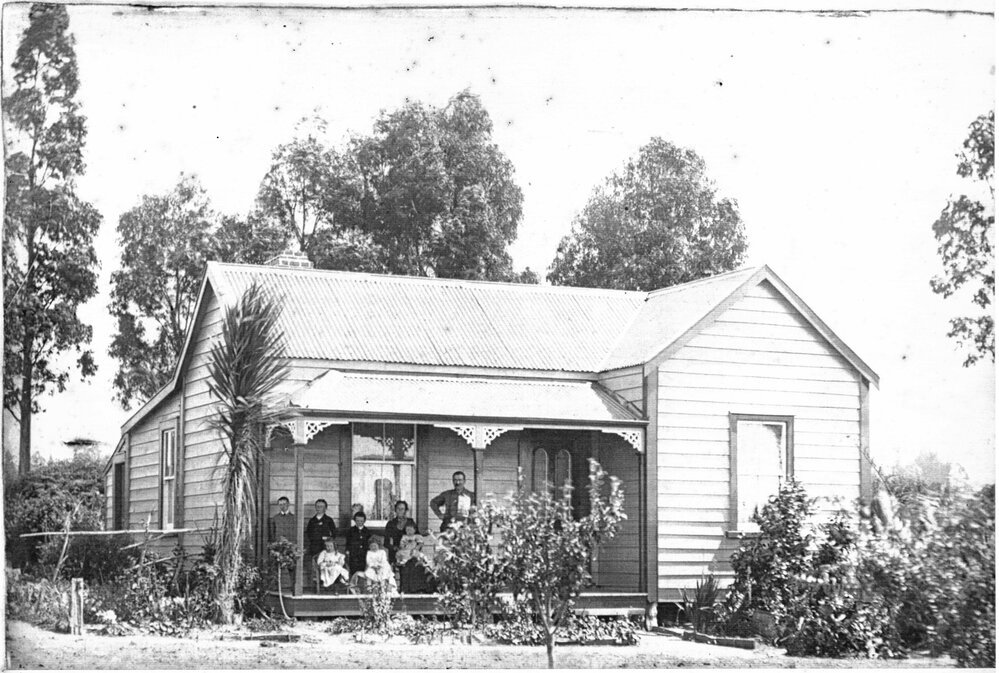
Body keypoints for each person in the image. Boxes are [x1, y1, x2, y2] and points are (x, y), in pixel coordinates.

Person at [304, 499, 337, 586]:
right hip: (315, 547)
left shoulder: (329, 520)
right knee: (316, 566)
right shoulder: (312, 521)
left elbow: (334, 534)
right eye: (317, 506)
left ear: (325, 508)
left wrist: (327, 540)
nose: (319, 508)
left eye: (321, 506)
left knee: (328, 565)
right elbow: (309, 533)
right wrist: (317, 539)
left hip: (326, 548)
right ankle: (317, 584)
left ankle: (329, 583)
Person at [383, 500, 418, 565]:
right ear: (395, 510)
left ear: (405, 511)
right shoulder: (391, 524)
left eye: (402, 509)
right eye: (398, 509)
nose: (400, 511)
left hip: (409, 552)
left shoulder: (410, 522)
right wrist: (394, 547)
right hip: (396, 553)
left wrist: (414, 548)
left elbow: (418, 537)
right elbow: (386, 543)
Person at [344, 510, 373, 577]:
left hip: (364, 554)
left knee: (363, 570)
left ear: (364, 521)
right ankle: (353, 585)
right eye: (358, 521)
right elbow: (348, 542)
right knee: (354, 570)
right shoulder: (351, 531)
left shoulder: (367, 531)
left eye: (361, 521)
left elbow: (369, 543)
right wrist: (347, 551)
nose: (359, 522)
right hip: (354, 554)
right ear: (355, 521)